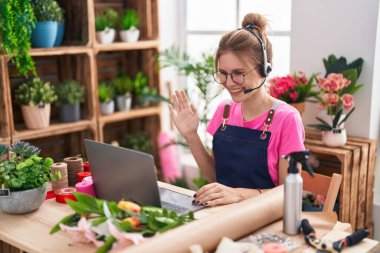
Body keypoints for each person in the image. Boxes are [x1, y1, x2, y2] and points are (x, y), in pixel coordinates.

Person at [169, 13, 305, 207]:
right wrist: (191, 135)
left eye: (238, 74)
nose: (229, 83)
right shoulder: (224, 111)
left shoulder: (287, 119)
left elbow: (289, 193)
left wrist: (238, 195)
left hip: (265, 219)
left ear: (264, 70)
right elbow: (216, 176)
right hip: (225, 214)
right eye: (223, 73)